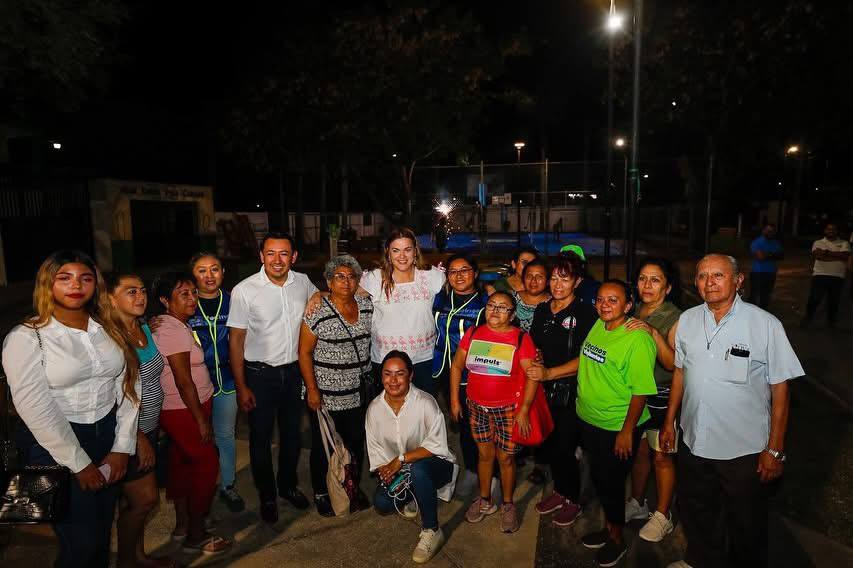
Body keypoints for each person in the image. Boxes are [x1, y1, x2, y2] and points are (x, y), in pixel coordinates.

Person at [661, 254, 803, 568]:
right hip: (694, 442)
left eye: (718, 275)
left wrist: (775, 448)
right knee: (698, 511)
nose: (709, 282)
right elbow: (681, 371)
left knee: (746, 524)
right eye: (702, 276)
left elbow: (781, 388)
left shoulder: (764, 324)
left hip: (743, 450)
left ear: (738, 281)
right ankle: (703, 561)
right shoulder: (688, 320)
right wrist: (670, 422)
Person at [2, 250, 140, 568]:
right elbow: (34, 406)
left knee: (102, 533)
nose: (76, 285)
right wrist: (79, 463)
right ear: (47, 283)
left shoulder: (108, 327)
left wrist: (122, 446)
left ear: (96, 285)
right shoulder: (28, 337)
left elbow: (130, 385)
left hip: (106, 435)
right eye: (64, 278)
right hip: (53, 443)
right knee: (81, 542)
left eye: (85, 278)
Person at [531, 279, 657, 566]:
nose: (604, 305)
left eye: (613, 300)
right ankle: (609, 528)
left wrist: (626, 431)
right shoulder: (600, 325)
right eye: (600, 299)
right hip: (589, 418)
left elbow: (641, 391)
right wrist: (550, 373)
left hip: (616, 424)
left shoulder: (637, 339)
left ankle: (617, 540)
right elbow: (584, 360)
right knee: (600, 479)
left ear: (628, 305)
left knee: (611, 484)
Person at [228, 232, 317, 523]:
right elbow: (236, 341)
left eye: (284, 253)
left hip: (294, 374)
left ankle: (287, 486)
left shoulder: (303, 282)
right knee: (260, 438)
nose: (277, 260)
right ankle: (267, 495)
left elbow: (321, 298)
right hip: (259, 376)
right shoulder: (244, 290)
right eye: (270, 253)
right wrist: (241, 386)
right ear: (261, 256)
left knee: (292, 435)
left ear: (294, 257)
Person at [151, 272, 230, 555]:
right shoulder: (170, 329)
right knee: (207, 465)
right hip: (184, 409)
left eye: (193, 292)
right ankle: (196, 534)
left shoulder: (174, 324)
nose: (192, 298)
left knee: (182, 464)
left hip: (189, 406)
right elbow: (184, 381)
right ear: (165, 300)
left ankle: (183, 525)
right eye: (183, 294)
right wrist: (200, 420)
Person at [450, 291, 538, 534]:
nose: (495, 311)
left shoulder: (520, 339)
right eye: (491, 305)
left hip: (508, 409)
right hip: (477, 407)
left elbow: (532, 376)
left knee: (506, 459)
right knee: (484, 455)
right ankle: (485, 499)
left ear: (512, 314)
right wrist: (455, 400)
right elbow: (456, 366)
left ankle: (508, 505)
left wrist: (524, 410)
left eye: (502, 307)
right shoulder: (473, 333)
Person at [298, 255, 373, 516]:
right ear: (329, 282)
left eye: (351, 277)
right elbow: (304, 353)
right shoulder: (316, 311)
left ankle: (351, 486)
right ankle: (321, 491)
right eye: (339, 277)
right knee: (324, 446)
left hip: (358, 392)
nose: (346, 281)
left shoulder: (366, 306)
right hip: (325, 394)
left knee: (355, 442)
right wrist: (312, 390)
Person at [526, 255, 598, 527]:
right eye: (554, 278)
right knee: (550, 445)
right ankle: (560, 491)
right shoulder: (543, 309)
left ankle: (573, 500)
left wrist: (550, 373)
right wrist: (537, 358)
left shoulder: (587, 314)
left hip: (571, 392)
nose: (557, 284)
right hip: (544, 391)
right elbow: (536, 345)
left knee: (565, 447)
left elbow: (586, 358)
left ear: (577, 282)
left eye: (564, 279)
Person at [367, 350, 457, 563]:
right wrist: (385, 471)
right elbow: (376, 452)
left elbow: (437, 446)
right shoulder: (374, 409)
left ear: (411, 375)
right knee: (382, 502)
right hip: (405, 471)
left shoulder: (425, 403)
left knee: (419, 469)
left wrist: (400, 459)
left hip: (437, 466)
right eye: (387, 374)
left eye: (400, 374)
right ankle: (419, 494)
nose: (393, 380)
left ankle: (432, 530)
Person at [108, 273, 172, 568]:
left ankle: (137, 556)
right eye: (131, 291)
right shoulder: (111, 339)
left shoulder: (144, 327)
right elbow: (114, 397)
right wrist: (138, 437)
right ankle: (126, 562)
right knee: (145, 499)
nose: (140, 296)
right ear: (111, 298)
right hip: (128, 434)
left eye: (143, 290)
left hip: (149, 426)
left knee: (133, 502)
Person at [623, 258, 682, 543]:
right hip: (637, 394)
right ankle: (638, 502)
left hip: (662, 395)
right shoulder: (634, 309)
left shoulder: (674, 317)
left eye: (655, 280)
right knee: (640, 451)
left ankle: (663, 514)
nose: (647, 285)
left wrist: (653, 333)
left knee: (662, 455)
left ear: (668, 287)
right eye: (642, 278)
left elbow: (672, 364)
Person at [357, 228, 446, 396]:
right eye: (396, 250)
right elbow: (344, 296)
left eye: (407, 249)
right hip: (386, 360)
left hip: (424, 359)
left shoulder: (431, 276)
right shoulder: (375, 279)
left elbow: (459, 290)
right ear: (388, 253)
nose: (402, 256)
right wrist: (320, 295)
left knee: (424, 408)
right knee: (388, 409)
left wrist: (487, 289)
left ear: (415, 251)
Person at [188, 252, 245, 513]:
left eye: (214, 269)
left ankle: (228, 485)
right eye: (202, 270)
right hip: (196, 385)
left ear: (223, 272)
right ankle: (200, 487)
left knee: (225, 435)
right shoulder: (185, 304)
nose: (209, 275)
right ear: (193, 275)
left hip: (229, 382)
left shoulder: (235, 302)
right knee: (199, 438)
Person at [431, 252, 488, 495]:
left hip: (471, 373)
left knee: (480, 426)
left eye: (464, 270)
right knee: (462, 424)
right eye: (453, 271)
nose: (459, 276)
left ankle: (491, 474)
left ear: (475, 273)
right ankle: (472, 470)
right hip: (444, 370)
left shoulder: (486, 302)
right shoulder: (440, 297)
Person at [801, 222, 850, 328]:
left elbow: (845, 256)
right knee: (815, 298)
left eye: (833, 229)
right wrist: (837, 256)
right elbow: (818, 257)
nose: (831, 231)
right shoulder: (818, 242)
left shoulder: (844, 243)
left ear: (837, 231)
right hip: (820, 274)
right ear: (825, 230)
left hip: (838, 276)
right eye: (829, 229)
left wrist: (826, 252)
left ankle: (831, 322)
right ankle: (808, 317)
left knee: (834, 301)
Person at [748, 223, 783, 309]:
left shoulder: (776, 242)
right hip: (758, 272)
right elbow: (760, 257)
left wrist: (766, 254)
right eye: (768, 231)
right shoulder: (757, 242)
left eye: (772, 231)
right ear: (763, 231)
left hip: (771, 273)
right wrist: (772, 255)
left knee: (766, 296)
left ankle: (763, 313)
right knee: (755, 296)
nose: (770, 233)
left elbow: (781, 256)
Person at [512, 258, 550, 332]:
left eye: (539, 277)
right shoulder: (511, 298)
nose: (533, 281)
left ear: (548, 281)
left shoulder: (554, 303)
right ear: (523, 279)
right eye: (529, 276)